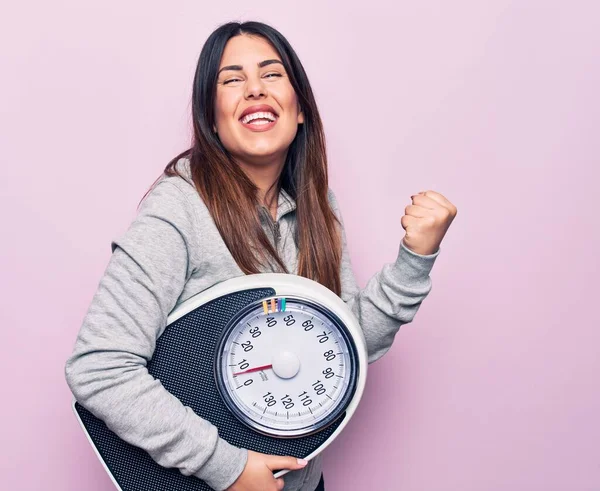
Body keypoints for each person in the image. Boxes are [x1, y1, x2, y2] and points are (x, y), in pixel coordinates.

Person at [65, 20, 457, 491]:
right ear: (212, 118)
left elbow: (348, 348)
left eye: (271, 74)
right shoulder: (181, 207)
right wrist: (225, 466)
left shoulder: (318, 207)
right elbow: (99, 366)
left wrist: (416, 257)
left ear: (300, 111)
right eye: (231, 80)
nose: (254, 89)